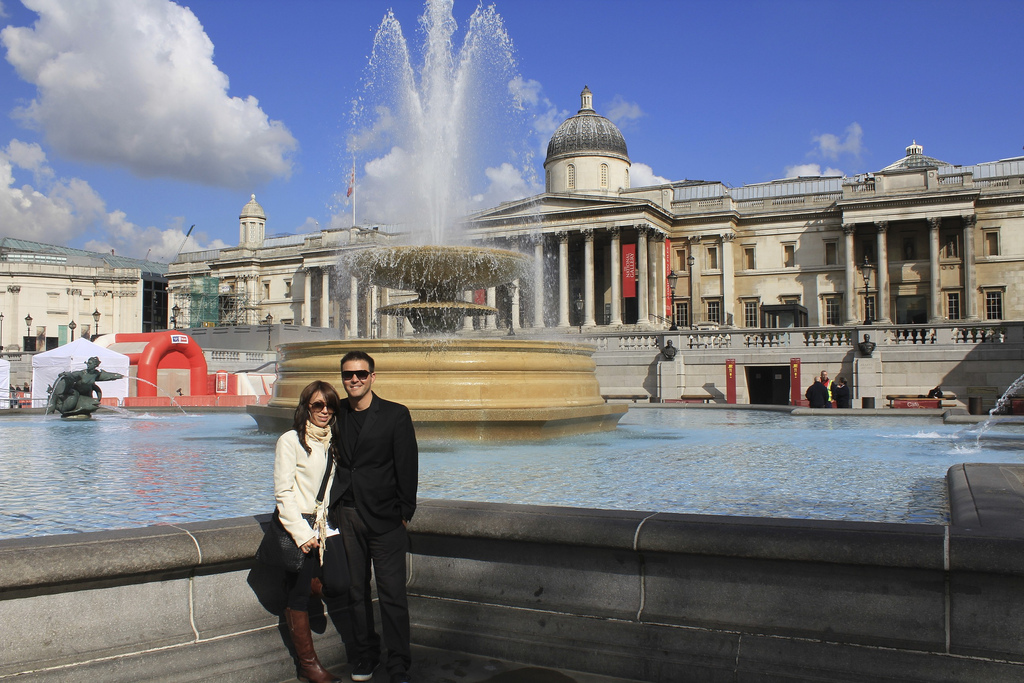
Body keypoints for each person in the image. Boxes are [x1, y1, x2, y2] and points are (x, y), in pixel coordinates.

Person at [329, 351, 418, 683]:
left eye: (361, 374)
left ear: (372, 377)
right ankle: (366, 654)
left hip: (385, 518)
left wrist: (404, 512)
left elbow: (407, 465)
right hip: (347, 514)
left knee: (392, 594)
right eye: (348, 375)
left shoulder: (395, 414)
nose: (354, 379)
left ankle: (398, 663)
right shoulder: (335, 412)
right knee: (356, 591)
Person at [274, 380, 347, 683]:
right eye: (318, 404)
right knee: (298, 596)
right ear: (306, 407)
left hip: (327, 525)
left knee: (341, 583)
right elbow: (283, 492)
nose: (324, 411)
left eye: (330, 405)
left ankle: (317, 583)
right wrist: (301, 533)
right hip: (301, 525)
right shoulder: (290, 440)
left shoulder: (335, 441)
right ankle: (308, 665)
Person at [45, 356, 123, 416]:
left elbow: (107, 376)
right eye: (88, 363)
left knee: (94, 404)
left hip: (87, 394)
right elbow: (73, 375)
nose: (88, 365)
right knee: (70, 404)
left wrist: (119, 376)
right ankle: (56, 405)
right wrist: (67, 375)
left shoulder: (96, 374)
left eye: (90, 363)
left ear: (95, 365)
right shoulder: (82, 373)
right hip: (75, 393)